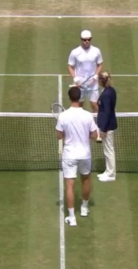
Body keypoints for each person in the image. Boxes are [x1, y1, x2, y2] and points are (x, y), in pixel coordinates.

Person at [56, 86, 99, 227]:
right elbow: (94, 135)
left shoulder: (63, 116)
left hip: (69, 155)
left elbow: (59, 136)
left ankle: (71, 217)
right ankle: (85, 209)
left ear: (69, 98)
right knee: (86, 180)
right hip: (84, 154)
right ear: (80, 97)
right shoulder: (87, 115)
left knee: (69, 185)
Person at [67, 30, 104, 141]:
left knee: (94, 105)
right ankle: (79, 126)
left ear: (91, 39)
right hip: (80, 85)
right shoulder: (75, 52)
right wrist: (75, 78)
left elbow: (100, 64)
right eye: (84, 40)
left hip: (93, 84)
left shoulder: (96, 51)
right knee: (79, 106)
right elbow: (70, 66)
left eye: (88, 39)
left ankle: (97, 128)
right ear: (81, 40)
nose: (86, 42)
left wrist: (96, 76)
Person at [96, 71, 118, 182]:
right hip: (107, 125)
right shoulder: (110, 90)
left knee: (109, 150)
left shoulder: (106, 94)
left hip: (107, 127)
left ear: (101, 81)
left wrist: (103, 129)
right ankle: (108, 170)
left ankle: (111, 174)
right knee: (107, 149)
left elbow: (107, 112)